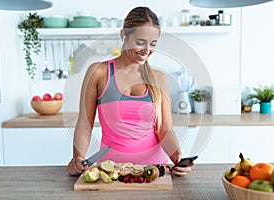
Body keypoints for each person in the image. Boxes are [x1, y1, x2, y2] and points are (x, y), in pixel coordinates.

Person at [67, 6, 193, 176]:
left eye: (153, 44)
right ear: (123, 35)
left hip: (155, 171)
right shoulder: (99, 72)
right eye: (140, 42)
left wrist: (178, 157)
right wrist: (78, 157)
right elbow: (84, 123)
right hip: (111, 172)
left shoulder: (158, 78)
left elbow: (164, 129)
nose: (146, 50)